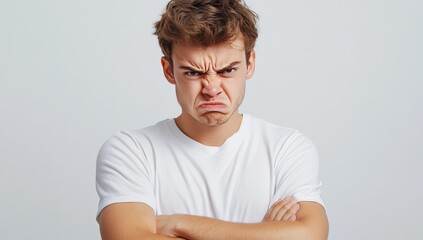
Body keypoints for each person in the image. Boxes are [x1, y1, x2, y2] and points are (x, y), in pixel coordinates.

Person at [95, 0, 329, 239]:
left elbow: (310, 235)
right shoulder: (130, 151)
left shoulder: (287, 148)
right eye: (193, 72)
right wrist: (263, 233)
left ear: (250, 64)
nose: (212, 88)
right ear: (168, 70)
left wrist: (180, 224)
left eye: (227, 70)